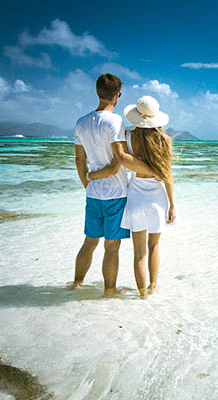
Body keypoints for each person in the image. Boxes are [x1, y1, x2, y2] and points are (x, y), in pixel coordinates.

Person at [70, 74, 156, 297]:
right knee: (111, 246)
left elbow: (80, 160)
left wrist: (87, 183)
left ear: (98, 92)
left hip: (93, 194)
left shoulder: (81, 122)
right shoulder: (115, 121)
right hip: (116, 194)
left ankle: (75, 284)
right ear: (117, 96)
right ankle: (109, 291)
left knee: (89, 242)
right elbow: (119, 157)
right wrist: (155, 171)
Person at [89, 96, 176, 299]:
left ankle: (141, 294)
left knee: (139, 253)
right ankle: (152, 287)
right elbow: (168, 176)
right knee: (154, 246)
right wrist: (172, 205)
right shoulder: (165, 141)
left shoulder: (127, 137)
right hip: (157, 199)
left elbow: (119, 159)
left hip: (135, 198)